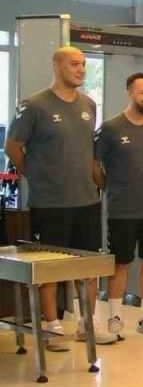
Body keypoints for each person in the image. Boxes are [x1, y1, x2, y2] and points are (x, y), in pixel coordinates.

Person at [6, 47, 115, 348]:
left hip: (87, 201)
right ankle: (51, 326)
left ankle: (86, 323)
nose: (80, 69)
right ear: (56, 66)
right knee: (50, 267)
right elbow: (12, 148)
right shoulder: (34, 105)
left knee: (88, 267)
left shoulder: (88, 105)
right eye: (74, 64)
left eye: (83, 64)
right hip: (50, 203)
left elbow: (88, 153)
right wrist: (37, 176)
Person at [93, 72, 143, 339]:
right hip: (122, 210)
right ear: (130, 93)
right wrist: (111, 187)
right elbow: (94, 166)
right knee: (120, 263)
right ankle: (114, 316)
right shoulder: (110, 128)